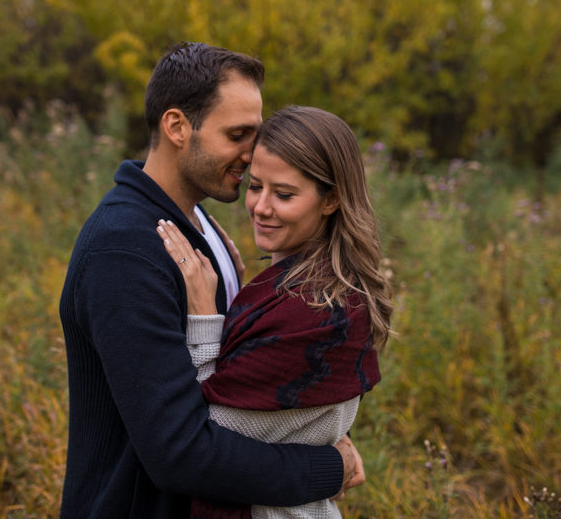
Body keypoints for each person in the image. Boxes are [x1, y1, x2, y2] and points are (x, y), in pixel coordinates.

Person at [58, 44, 362, 518]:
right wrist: (326, 469)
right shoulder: (124, 251)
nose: (253, 153)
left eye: (255, 134)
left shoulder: (197, 221)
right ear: (177, 127)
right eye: (237, 135)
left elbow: (232, 382)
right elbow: (181, 454)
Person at [157, 105, 394, 518]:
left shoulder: (318, 310)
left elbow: (209, 435)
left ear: (331, 199)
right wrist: (241, 297)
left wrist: (203, 317)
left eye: (283, 194)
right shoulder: (296, 285)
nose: (261, 207)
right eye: (255, 186)